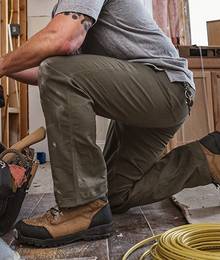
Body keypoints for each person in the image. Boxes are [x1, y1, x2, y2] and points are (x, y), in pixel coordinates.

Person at [1, 0, 219, 248]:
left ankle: (80, 207)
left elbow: (62, 43)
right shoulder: (71, 10)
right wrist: (6, 68)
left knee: (58, 71)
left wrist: (2, 65)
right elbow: (46, 74)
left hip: (165, 86)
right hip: (154, 97)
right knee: (114, 195)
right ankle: (209, 158)